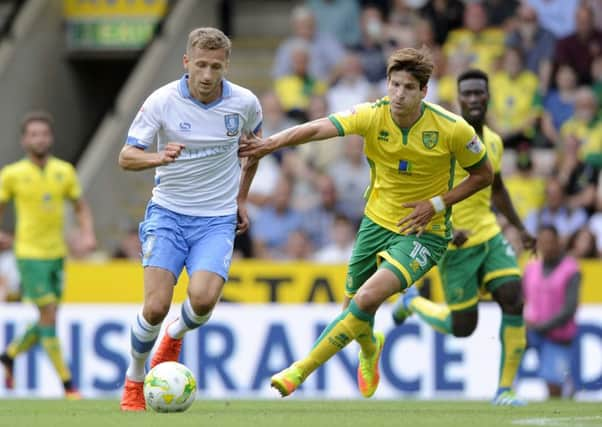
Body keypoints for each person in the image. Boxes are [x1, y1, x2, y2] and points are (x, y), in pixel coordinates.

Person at [238, 47, 493, 398]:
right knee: (351, 311)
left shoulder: (452, 129)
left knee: (367, 297)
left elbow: (483, 175)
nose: (399, 94)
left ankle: (299, 370)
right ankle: (370, 347)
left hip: (423, 232)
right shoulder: (373, 115)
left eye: (407, 87)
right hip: (374, 224)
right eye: (394, 85)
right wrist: (270, 143)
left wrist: (436, 205)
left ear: (424, 91)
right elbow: (317, 129)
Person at [118, 27, 262, 411]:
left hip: (216, 218)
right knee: (154, 307)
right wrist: (158, 157)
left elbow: (255, 148)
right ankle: (134, 377)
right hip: (167, 213)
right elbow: (126, 156)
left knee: (202, 300)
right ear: (187, 62)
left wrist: (241, 199)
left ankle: (174, 336)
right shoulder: (162, 101)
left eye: (216, 66)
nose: (207, 74)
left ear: (226, 66)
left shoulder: (245, 103)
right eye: (200, 64)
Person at [391, 69, 536, 406]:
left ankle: (505, 390)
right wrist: (443, 227)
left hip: (488, 233)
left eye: (478, 93)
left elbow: (496, 188)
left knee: (514, 298)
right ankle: (413, 303)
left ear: (488, 97)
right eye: (466, 94)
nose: (473, 99)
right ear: (458, 100)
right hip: (453, 242)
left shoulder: (495, 142)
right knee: (463, 327)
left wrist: (520, 227)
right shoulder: (446, 141)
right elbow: (421, 189)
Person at [0, 111, 96, 398]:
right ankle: (69, 386)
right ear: (24, 140)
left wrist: (87, 233)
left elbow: (80, 206)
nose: (39, 139)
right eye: (33, 134)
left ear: (50, 138)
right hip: (29, 255)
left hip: (57, 254)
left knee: (48, 319)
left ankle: (9, 355)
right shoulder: (12, 174)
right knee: (49, 314)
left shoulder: (64, 171)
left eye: (43, 133)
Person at [523, 225, 581, 398]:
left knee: (554, 387)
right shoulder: (531, 268)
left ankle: (567, 389)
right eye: (542, 242)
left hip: (557, 336)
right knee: (509, 358)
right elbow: (521, 299)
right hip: (531, 333)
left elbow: (569, 309)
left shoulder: (571, 269)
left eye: (550, 241)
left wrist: (541, 326)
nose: (546, 246)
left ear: (558, 242)